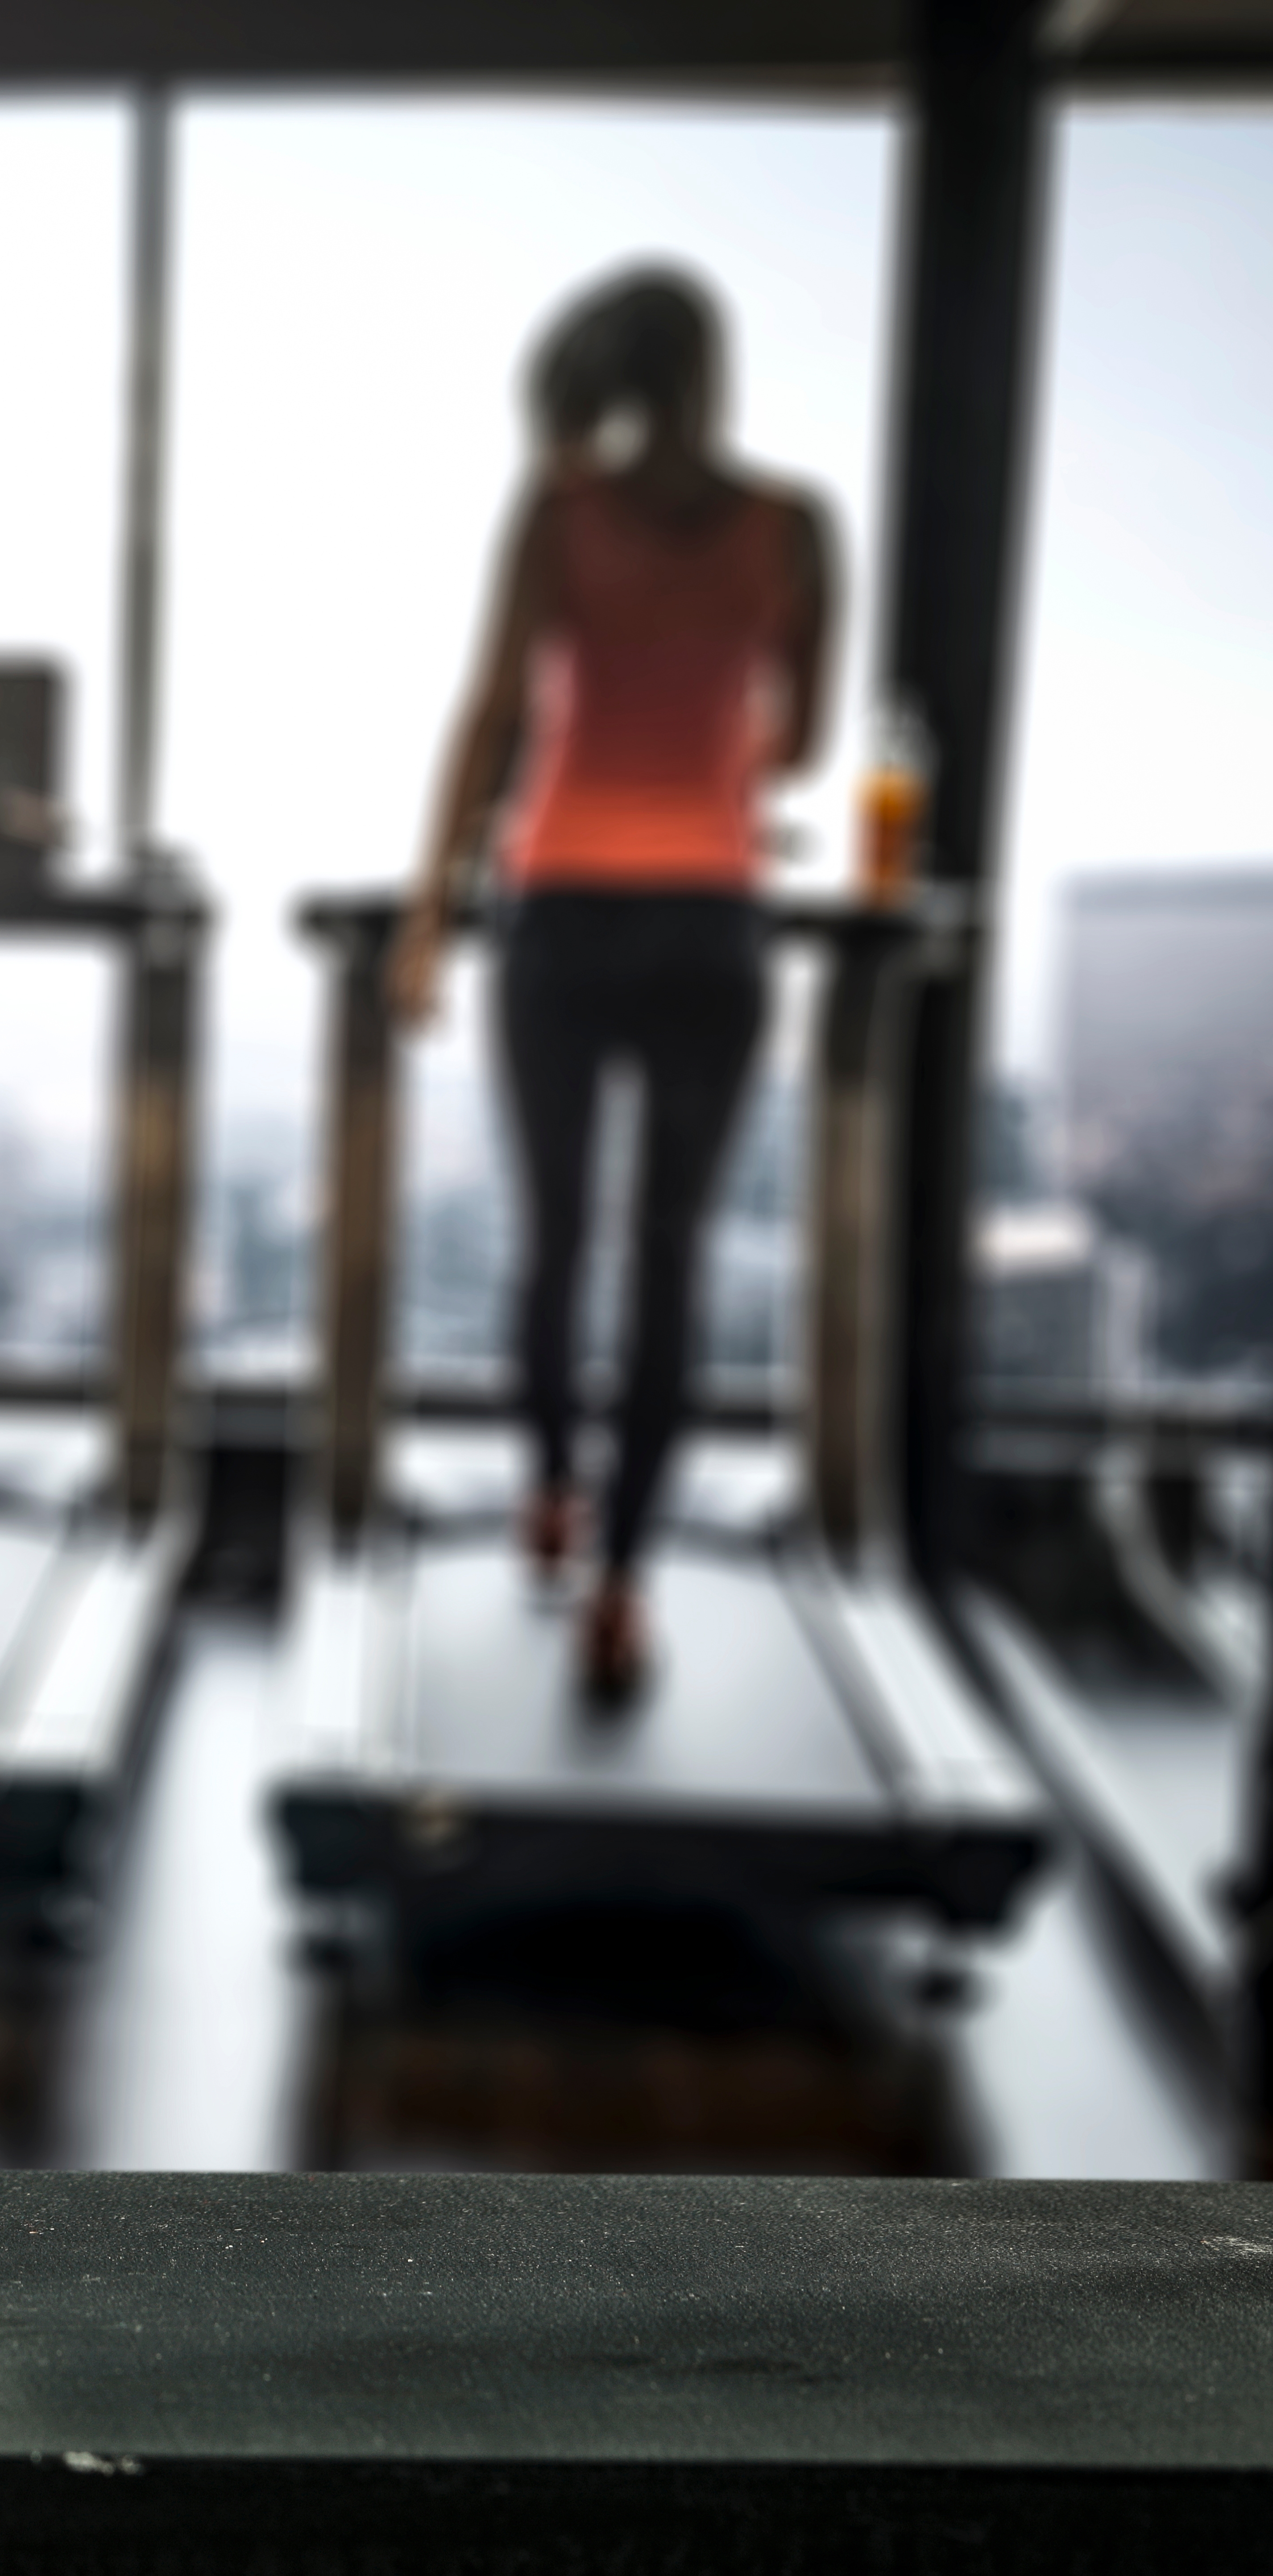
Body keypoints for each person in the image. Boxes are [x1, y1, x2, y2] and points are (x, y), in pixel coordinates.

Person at [394, 266, 835, 1701]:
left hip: (560, 913)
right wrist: (703, 760)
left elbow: (490, 713)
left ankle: (547, 1490)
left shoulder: (557, 509)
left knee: (555, 1234)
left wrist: (425, 916)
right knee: (669, 1258)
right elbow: (800, 741)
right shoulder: (794, 527)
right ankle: (623, 1583)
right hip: (710, 917)